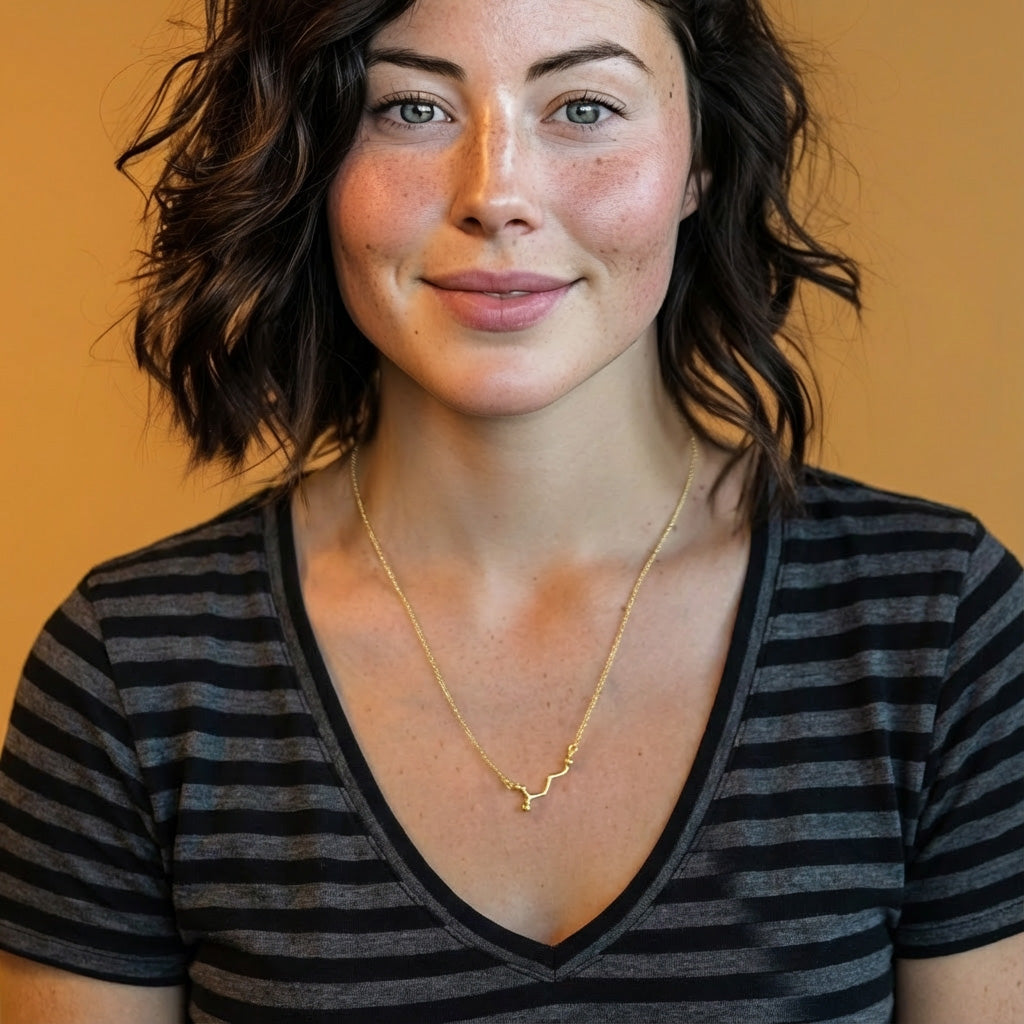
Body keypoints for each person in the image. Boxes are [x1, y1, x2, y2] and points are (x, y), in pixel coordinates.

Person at [0, 0, 1021, 1020]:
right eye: (409, 108)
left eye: (582, 105)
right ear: (313, 160)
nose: (495, 195)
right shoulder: (130, 669)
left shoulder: (941, 629)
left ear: (697, 161)